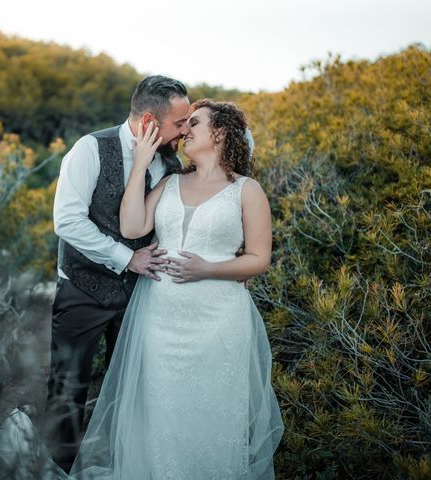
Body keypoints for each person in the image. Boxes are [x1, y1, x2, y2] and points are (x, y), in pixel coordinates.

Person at [63, 99, 284, 478]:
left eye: (195, 123)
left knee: (211, 408)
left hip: (218, 319)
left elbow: (259, 258)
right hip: (160, 315)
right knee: (160, 406)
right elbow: (132, 227)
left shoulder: (247, 191)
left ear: (220, 133)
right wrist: (141, 164)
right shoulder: (169, 181)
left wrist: (209, 268)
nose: (185, 130)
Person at [43, 75, 191, 473]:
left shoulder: (170, 159)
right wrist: (126, 258)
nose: (185, 130)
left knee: (133, 388)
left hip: (142, 295)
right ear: (149, 120)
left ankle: (124, 467)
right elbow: (68, 222)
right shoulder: (90, 149)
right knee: (67, 389)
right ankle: (58, 471)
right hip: (83, 291)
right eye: (179, 123)